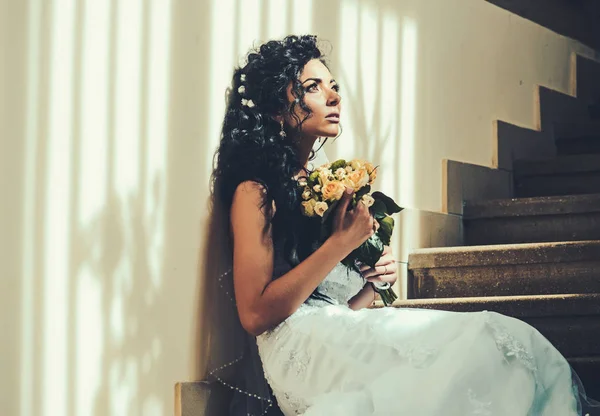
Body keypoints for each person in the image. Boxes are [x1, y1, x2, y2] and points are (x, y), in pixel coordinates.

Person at [204, 34, 598, 415]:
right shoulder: (255, 191)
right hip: (296, 352)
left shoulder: (321, 184)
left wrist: (372, 285)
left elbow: (336, 307)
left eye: (333, 85)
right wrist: (339, 246)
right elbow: (255, 315)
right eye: (312, 87)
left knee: (506, 339)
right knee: (481, 342)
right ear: (277, 110)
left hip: (330, 333)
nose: (334, 96)